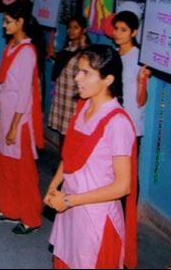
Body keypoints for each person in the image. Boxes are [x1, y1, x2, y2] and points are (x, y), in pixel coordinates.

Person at [45, 45, 138, 269]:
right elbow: (69, 157)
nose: (77, 78)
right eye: (78, 71)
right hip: (70, 208)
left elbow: (123, 187)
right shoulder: (84, 108)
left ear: (108, 79)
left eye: (86, 73)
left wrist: (69, 201)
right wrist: (54, 186)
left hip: (95, 217)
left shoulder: (118, 123)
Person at [0, 1, 45, 235]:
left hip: (20, 119)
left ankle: (30, 219)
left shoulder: (27, 52)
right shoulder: (11, 47)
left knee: (24, 170)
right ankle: (10, 209)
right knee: (6, 165)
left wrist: (14, 127)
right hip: (7, 114)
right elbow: (5, 86)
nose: (4, 25)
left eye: (8, 22)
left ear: (20, 23)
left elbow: (25, 94)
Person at [47, 15, 91, 152]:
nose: (71, 30)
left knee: (72, 134)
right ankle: (63, 159)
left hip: (74, 99)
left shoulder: (87, 50)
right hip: (62, 96)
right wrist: (54, 55)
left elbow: (88, 69)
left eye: (76, 28)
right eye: (70, 27)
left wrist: (83, 48)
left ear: (84, 30)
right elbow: (65, 63)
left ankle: (69, 162)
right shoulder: (69, 46)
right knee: (63, 132)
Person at [111, 11, 151, 147]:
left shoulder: (138, 58)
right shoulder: (113, 55)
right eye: (116, 28)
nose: (117, 33)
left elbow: (141, 101)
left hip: (130, 121)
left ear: (134, 33)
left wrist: (141, 82)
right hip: (112, 117)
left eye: (123, 30)